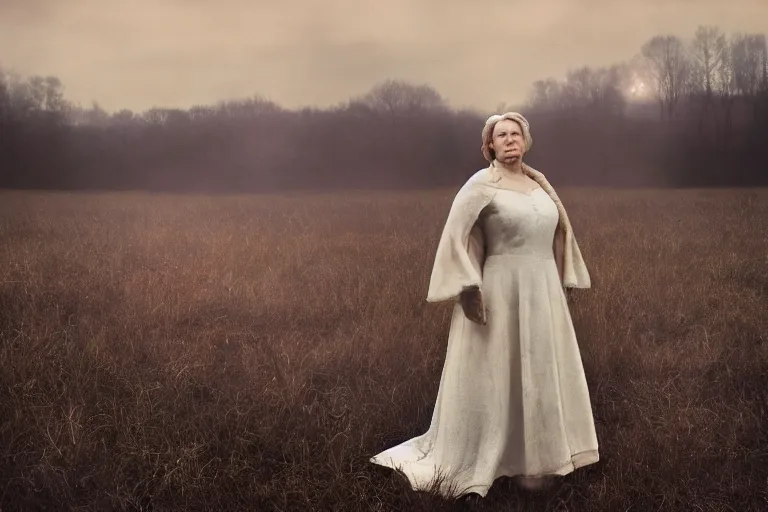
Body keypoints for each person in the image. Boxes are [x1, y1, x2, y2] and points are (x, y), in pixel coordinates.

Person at [369, 112, 599, 498]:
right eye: (501, 135)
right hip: (501, 290)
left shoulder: (539, 184)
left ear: (526, 140)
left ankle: (540, 457)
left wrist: (563, 279)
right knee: (499, 373)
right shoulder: (481, 184)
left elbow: (558, 233)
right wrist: (468, 286)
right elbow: (453, 236)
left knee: (540, 369)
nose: (510, 140)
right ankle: (495, 456)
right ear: (489, 145)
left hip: (542, 291)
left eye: (516, 133)